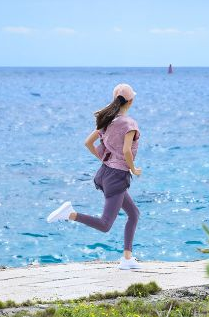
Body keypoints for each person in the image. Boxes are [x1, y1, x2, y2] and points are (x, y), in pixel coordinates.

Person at [46, 83, 142, 269]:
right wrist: (133, 169)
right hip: (117, 177)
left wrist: (104, 158)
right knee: (105, 225)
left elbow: (88, 142)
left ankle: (127, 259)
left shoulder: (108, 120)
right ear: (130, 101)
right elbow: (127, 151)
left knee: (134, 213)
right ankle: (70, 214)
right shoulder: (129, 124)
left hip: (106, 173)